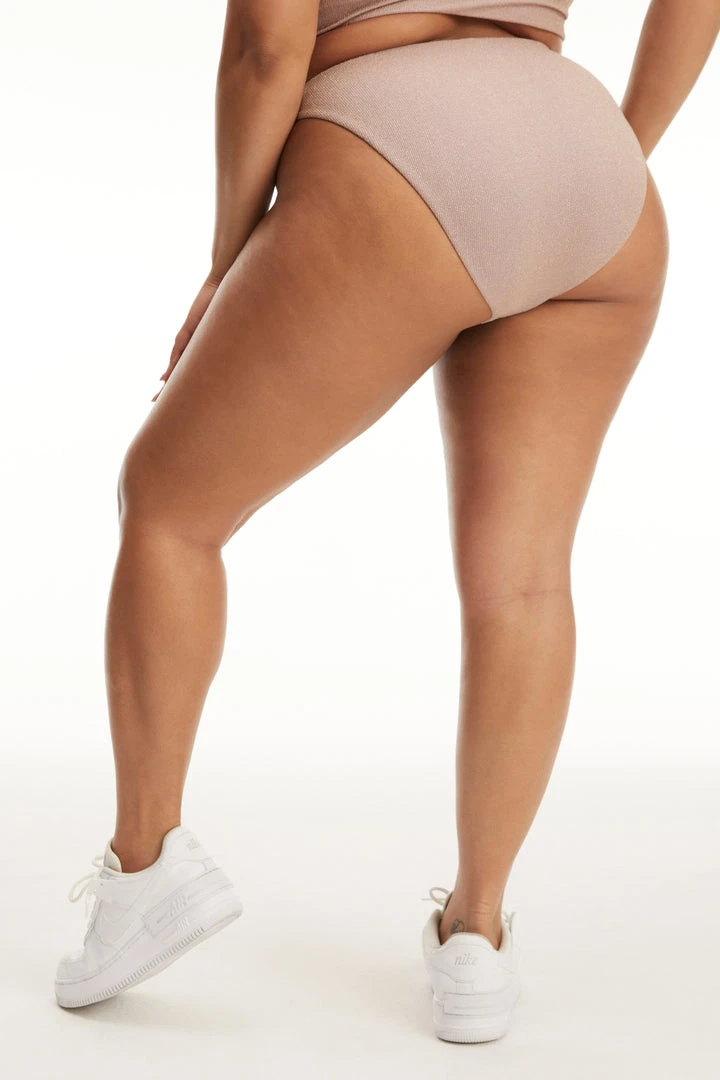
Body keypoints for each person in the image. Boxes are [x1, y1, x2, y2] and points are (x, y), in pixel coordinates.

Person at [54, 0, 718, 1042]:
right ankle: (476, 935)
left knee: (169, 506)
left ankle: (145, 870)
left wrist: (228, 261)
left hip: (402, 147)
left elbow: (266, 47)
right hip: (588, 158)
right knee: (523, 580)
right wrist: (614, 152)